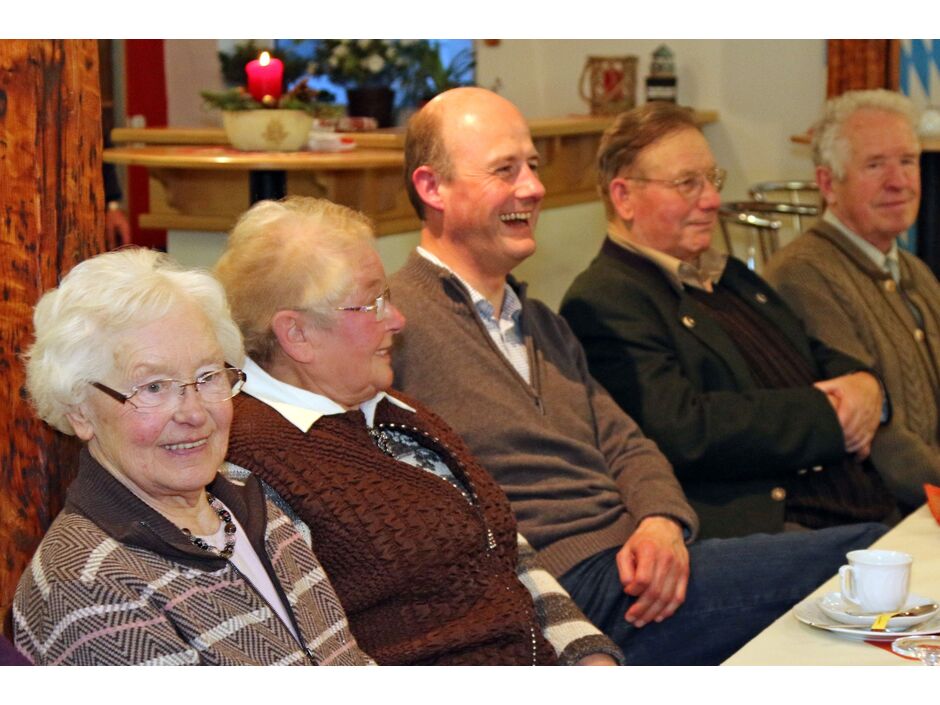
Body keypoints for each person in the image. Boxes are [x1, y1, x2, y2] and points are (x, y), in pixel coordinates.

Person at [389, 86, 886, 665]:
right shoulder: (394, 323)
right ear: (432, 188)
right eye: (506, 170)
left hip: (638, 560)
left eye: (534, 166)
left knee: (878, 572)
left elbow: (629, 444)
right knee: (872, 562)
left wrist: (661, 521)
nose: (534, 187)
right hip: (558, 587)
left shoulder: (541, 322)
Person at [213, 196, 621, 666]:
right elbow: (319, 653)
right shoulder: (252, 459)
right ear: (296, 334)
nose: (397, 319)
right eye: (373, 303)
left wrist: (587, 654)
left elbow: (504, 552)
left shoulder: (396, 409)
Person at [13, 248, 372, 666]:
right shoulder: (87, 582)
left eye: (207, 376)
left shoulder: (254, 505)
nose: (194, 413)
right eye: (153, 387)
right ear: (80, 412)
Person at [559, 101, 901, 538]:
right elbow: (684, 433)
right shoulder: (605, 300)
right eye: (688, 183)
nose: (713, 200)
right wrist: (831, 415)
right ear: (624, 197)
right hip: (772, 525)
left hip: (854, 503)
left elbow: (810, 352)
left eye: (712, 179)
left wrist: (866, 385)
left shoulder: (727, 275)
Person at [766, 89, 940, 509]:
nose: (898, 182)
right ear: (828, 183)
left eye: (907, 161)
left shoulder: (914, 271)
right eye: (875, 165)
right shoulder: (803, 275)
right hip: (881, 519)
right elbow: (876, 436)